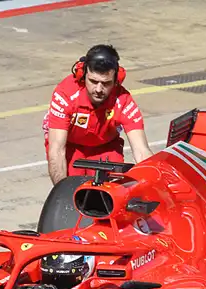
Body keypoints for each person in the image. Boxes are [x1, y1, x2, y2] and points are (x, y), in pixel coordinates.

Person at [44, 44, 154, 185]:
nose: (99, 89)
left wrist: (154, 183)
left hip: (106, 147)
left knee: (111, 191)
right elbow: (57, 150)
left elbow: (142, 151)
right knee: (73, 190)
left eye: (106, 83)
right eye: (93, 81)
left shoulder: (123, 100)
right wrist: (62, 193)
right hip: (71, 147)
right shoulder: (65, 94)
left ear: (116, 80)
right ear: (83, 75)